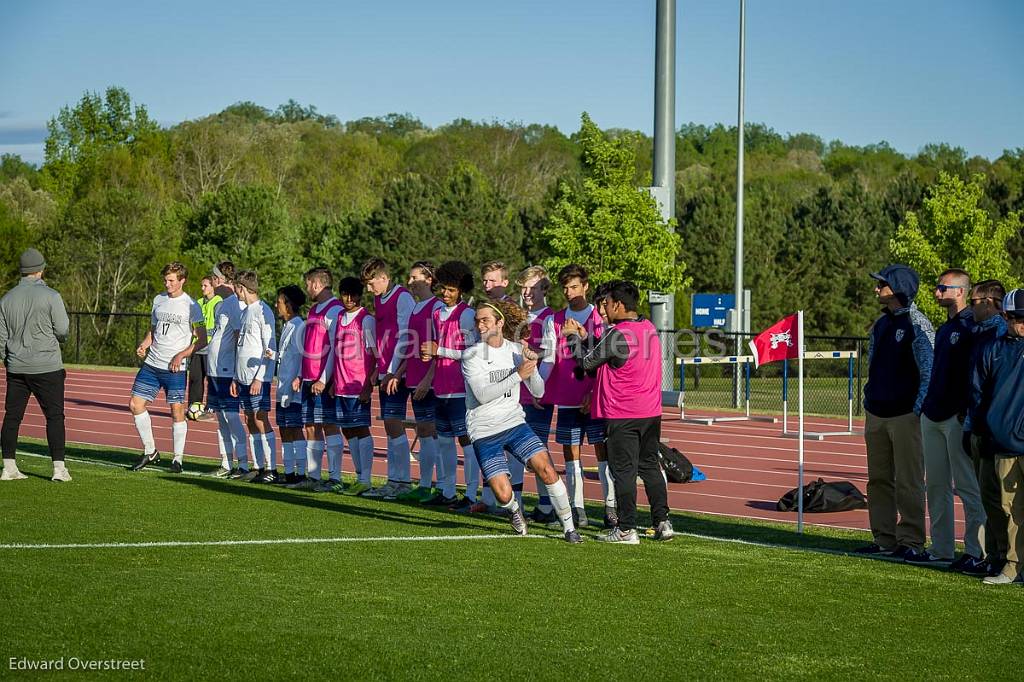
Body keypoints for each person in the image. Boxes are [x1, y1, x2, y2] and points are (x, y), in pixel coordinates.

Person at [461, 299, 582, 543]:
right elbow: (483, 395)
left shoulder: (516, 349)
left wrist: (532, 366)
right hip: (484, 429)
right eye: (477, 321)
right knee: (503, 495)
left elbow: (537, 391)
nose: (480, 325)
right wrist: (518, 374)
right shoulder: (471, 354)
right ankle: (514, 510)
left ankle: (569, 528)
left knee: (547, 469)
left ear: (500, 322)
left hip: (514, 423)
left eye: (485, 320)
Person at [567, 280, 671, 544]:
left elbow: (587, 363)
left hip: (623, 412)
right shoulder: (648, 328)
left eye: (607, 303)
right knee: (649, 466)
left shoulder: (618, 333)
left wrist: (571, 338)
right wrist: (585, 337)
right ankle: (663, 521)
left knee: (623, 471)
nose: (605, 308)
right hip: (650, 411)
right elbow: (609, 353)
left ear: (618, 305)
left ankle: (626, 528)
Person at [857, 264, 933, 560]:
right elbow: (873, 365)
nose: (876, 289)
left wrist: (916, 410)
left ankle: (912, 540)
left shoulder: (917, 324)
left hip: (905, 416)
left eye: (882, 284)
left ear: (898, 288)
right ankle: (884, 538)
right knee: (878, 480)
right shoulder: (881, 324)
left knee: (909, 481)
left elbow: (928, 371)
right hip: (876, 413)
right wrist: (868, 398)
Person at [912, 269, 986, 567]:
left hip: (956, 417)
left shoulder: (972, 326)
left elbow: (974, 375)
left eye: (943, 288)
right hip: (933, 414)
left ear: (960, 292)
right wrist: (926, 406)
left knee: (968, 486)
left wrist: (964, 411)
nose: (936, 292)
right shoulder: (945, 329)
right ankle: (941, 549)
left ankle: (975, 551)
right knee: (936, 486)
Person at [541, 264, 611, 528]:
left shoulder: (601, 319)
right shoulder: (554, 320)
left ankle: (610, 508)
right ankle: (577, 510)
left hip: (597, 399)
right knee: (571, 457)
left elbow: (607, 362)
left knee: (603, 455)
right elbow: (549, 361)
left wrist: (594, 392)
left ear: (585, 286)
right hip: (567, 399)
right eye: (565, 288)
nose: (570, 292)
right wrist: (537, 387)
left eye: (574, 286)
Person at [128, 262, 207, 473]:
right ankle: (150, 451)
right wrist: (145, 344)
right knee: (136, 405)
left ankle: (177, 460)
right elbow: (154, 330)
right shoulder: (158, 300)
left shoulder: (192, 305)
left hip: (175, 368)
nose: (167, 284)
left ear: (182, 280)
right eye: (165, 280)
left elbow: (202, 339)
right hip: (152, 363)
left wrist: (181, 354)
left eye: (172, 280)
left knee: (177, 411)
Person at [0, 248, 71, 482]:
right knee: (54, 416)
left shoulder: (7, 299)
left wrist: (8, 360)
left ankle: (9, 467)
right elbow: (62, 330)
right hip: (47, 366)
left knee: (12, 417)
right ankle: (58, 469)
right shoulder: (52, 296)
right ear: (40, 270)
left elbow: (1, 338)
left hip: (17, 367)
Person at [970, 288, 1024, 586]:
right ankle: (1012, 565)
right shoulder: (993, 349)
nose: (1022, 323)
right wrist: (977, 432)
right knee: (1010, 508)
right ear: (1005, 317)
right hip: (1003, 442)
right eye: (1017, 318)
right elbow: (978, 394)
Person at [419, 261, 478, 508]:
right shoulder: (436, 313)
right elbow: (439, 350)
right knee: (444, 440)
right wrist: (430, 355)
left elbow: (472, 352)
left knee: (466, 441)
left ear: (461, 290)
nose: (446, 293)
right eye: (444, 288)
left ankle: (472, 495)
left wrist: (439, 350)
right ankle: (447, 491)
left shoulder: (466, 313)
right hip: (441, 387)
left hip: (460, 388)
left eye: (451, 290)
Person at [963, 279, 1009, 576]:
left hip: (998, 431)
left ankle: (1007, 557)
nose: (971, 307)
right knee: (988, 498)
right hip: (980, 426)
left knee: (1002, 501)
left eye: (975, 302)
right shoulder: (978, 333)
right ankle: (993, 555)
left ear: (991, 303)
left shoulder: (1002, 337)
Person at [362, 258, 416, 499]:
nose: (368, 288)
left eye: (371, 282)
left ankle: (402, 482)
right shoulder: (379, 297)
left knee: (395, 423)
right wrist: (378, 370)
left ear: (383, 278)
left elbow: (406, 336)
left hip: (398, 373)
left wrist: (395, 371)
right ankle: (394, 480)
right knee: (389, 425)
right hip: (386, 371)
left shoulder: (402, 297)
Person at [288, 267, 345, 491]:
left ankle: (335, 478)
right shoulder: (314, 310)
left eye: (308, 283)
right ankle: (313, 476)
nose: (306, 288)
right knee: (311, 425)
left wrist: (324, 378)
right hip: (309, 378)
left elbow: (334, 348)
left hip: (324, 379)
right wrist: (301, 375)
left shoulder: (335, 309)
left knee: (329, 425)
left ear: (316, 284)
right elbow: (309, 346)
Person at [318, 276, 376, 495]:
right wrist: (332, 381)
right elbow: (334, 352)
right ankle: (359, 475)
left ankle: (366, 478)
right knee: (347, 430)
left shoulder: (365, 320)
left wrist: (368, 385)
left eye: (353, 295)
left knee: (361, 429)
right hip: (341, 385)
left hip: (358, 384)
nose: (349, 299)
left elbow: (373, 354)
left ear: (360, 296)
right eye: (345, 294)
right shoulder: (339, 317)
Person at [393, 261, 445, 501]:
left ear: (430, 280)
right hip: (414, 377)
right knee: (425, 431)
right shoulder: (415, 307)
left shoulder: (437, 307)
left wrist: (428, 378)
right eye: (410, 277)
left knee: (432, 430)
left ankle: (439, 486)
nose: (410, 282)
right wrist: (400, 371)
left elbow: (440, 348)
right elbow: (412, 345)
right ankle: (425, 485)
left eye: (415, 278)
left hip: (431, 380)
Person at [230, 271, 278, 483]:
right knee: (250, 419)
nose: (234, 292)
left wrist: (260, 377)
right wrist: (235, 376)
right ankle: (258, 466)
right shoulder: (245, 311)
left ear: (242, 287)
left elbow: (270, 347)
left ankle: (271, 468)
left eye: (235, 288)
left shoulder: (263, 311)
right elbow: (241, 347)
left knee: (261, 419)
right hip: (242, 379)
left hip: (258, 379)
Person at [516, 265, 555, 518]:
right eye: (523, 288)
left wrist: (539, 390)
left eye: (532, 287)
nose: (527, 292)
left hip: (536, 393)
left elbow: (551, 356)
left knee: (537, 450)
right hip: (514, 391)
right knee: (516, 449)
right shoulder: (518, 316)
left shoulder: (550, 317)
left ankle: (549, 504)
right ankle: (519, 502)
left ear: (544, 288)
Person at [206, 262, 248, 477]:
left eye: (213, 278)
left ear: (220, 279)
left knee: (231, 416)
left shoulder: (235, 304)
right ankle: (226, 463)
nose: (211, 282)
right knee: (221, 418)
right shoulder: (220, 304)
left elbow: (240, 339)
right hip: (214, 370)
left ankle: (243, 464)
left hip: (226, 371)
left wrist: (235, 373)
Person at [269, 284, 307, 485]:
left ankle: (301, 473)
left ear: (290, 305)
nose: (277, 305)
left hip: (293, 388)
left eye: (280, 302)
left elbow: (303, 356)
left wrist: (299, 377)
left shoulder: (300, 326)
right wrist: (273, 356)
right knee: (283, 427)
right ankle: (289, 471)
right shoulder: (287, 325)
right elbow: (286, 356)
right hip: (282, 385)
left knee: (294, 428)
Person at [186, 275, 220, 419]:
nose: (202, 288)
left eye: (205, 286)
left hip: (211, 348)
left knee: (212, 380)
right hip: (197, 347)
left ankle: (211, 410)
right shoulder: (198, 303)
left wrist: (205, 333)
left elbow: (219, 325)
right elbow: (191, 321)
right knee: (195, 379)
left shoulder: (218, 303)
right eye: (202, 286)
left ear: (213, 287)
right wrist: (192, 329)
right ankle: (194, 407)